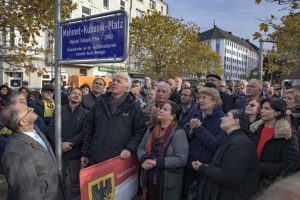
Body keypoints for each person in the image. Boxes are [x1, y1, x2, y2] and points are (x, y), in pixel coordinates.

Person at [81, 72, 147, 166]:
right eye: (114, 80)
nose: (114, 83)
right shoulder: (99, 104)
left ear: (126, 87)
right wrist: (85, 153)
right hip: (96, 158)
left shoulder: (133, 107)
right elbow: (88, 128)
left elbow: (140, 131)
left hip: (119, 160)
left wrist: (129, 148)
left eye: (119, 81)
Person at [1, 102, 63, 200]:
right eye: (28, 110)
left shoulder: (35, 129)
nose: (32, 109)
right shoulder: (15, 154)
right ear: (23, 122)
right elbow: (28, 194)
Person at [192, 110, 259, 200]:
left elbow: (231, 176)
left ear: (236, 121)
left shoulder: (239, 143)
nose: (222, 118)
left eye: (227, 116)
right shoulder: (233, 139)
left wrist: (203, 168)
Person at [137, 100, 188, 200]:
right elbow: (141, 148)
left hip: (166, 181)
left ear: (172, 116)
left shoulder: (179, 133)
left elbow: (181, 159)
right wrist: (144, 159)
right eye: (161, 108)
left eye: (165, 109)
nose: (160, 110)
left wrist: (156, 162)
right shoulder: (151, 129)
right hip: (148, 177)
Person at [182, 87, 227, 198]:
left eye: (204, 97)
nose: (200, 100)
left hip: (207, 167)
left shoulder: (223, 119)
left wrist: (198, 129)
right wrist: (190, 131)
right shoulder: (196, 114)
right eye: (199, 98)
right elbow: (184, 137)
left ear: (214, 101)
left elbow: (217, 145)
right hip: (190, 165)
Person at [249, 97, 299, 189]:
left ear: (278, 113)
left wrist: (258, 168)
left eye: (267, 108)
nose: (262, 111)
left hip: (270, 185)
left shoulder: (287, 134)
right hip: (251, 181)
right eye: (262, 108)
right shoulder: (255, 128)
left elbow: (290, 165)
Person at [48, 88, 88, 200]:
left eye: (79, 94)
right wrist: (59, 143)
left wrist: (70, 143)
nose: (76, 95)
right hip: (59, 153)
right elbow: (52, 129)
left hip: (75, 153)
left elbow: (84, 133)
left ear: (82, 98)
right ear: (69, 95)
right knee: (59, 182)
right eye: (74, 93)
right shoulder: (58, 110)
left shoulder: (86, 113)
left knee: (76, 182)